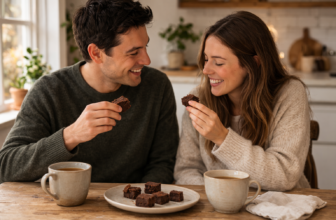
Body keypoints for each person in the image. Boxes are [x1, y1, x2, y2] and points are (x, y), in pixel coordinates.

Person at [0, 0, 179, 184]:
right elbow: (6, 168)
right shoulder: (48, 91)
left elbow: (163, 163)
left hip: (135, 205)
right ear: (96, 53)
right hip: (66, 207)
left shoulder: (157, 86)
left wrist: (140, 200)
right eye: (133, 53)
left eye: (145, 47)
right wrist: (71, 136)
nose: (147, 60)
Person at [174, 11, 311, 191]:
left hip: (282, 210)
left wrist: (222, 138)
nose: (206, 70)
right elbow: (186, 170)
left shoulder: (289, 94)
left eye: (219, 62)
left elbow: (284, 175)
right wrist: (219, 199)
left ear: (253, 63)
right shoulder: (200, 99)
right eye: (206, 59)